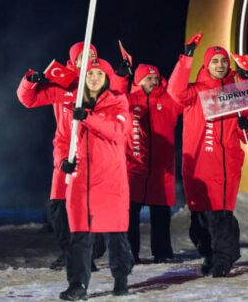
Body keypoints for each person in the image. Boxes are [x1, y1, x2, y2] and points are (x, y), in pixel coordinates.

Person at [19, 57, 134, 299]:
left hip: (110, 179)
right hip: (81, 179)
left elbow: (117, 131)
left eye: (98, 74)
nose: (93, 78)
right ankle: (77, 285)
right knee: (80, 235)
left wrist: (87, 118)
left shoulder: (118, 101)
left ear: (106, 78)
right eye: (89, 74)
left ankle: (121, 276)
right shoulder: (73, 103)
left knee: (115, 234)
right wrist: (63, 161)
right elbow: (62, 139)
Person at [167, 41, 248, 277]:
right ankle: (209, 254)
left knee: (221, 215)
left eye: (223, 61)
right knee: (200, 218)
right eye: (215, 61)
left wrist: (246, 125)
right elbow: (175, 92)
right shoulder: (195, 90)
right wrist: (186, 58)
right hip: (197, 166)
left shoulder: (238, 92)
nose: (219, 65)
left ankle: (223, 260)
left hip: (225, 165)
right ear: (207, 65)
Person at [17, 42, 96, 270]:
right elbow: (28, 100)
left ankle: (88, 253)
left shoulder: (100, 82)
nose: (88, 60)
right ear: (74, 61)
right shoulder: (62, 85)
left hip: (93, 151)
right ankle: (68, 252)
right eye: (84, 56)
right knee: (59, 205)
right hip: (65, 151)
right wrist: (30, 82)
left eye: (92, 56)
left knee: (89, 206)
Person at [125, 64, 183, 263]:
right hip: (134, 168)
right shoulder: (128, 101)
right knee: (130, 215)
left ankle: (163, 253)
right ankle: (130, 254)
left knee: (161, 214)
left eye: (155, 78)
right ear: (138, 81)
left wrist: (185, 61)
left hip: (161, 168)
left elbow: (182, 91)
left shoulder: (169, 100)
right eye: (148, 79)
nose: (153, 82)